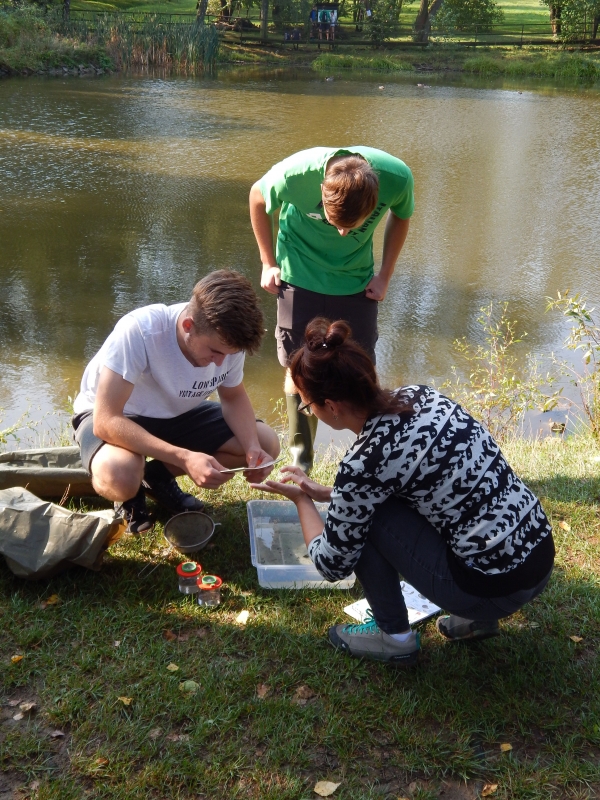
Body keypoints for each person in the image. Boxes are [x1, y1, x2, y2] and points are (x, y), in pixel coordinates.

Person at [251, 318, 555, 665]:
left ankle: (394, 637)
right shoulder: (422, 396)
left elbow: (331, 563)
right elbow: (432, 483)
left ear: (331, 405)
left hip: (491, 589)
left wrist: (301, 499)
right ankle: (477, 620)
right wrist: (331, 494)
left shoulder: (362, 465)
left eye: (308, 406)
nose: (311, 413)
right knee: (439, 506)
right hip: (539, 557)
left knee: (366, 519)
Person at [72, 270, 280, 533]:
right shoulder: (140, 331)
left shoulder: (227, 344)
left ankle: (156, 477)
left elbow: (233, 395)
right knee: (121, 474)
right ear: (188, 326)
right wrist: (184, 458)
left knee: (266, 443)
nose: (220, 362)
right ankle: (130, 494)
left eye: (228, 355)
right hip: (116, 414)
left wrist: (251, 449)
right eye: (214, 352)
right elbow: (106, 421)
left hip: (176, 414)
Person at [249, 146, 414, 473]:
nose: (342, 233)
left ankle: (373, 461)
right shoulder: (294, 176)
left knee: (361, 372)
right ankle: (302, 461)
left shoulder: (397, 178)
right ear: (322, 194)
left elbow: (402, 215)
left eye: (353, 226)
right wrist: (268, 263)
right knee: (299, 370)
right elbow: (257, 197)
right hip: (298, 276)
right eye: (335, 222)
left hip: (356, 283)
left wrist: (384, 276)